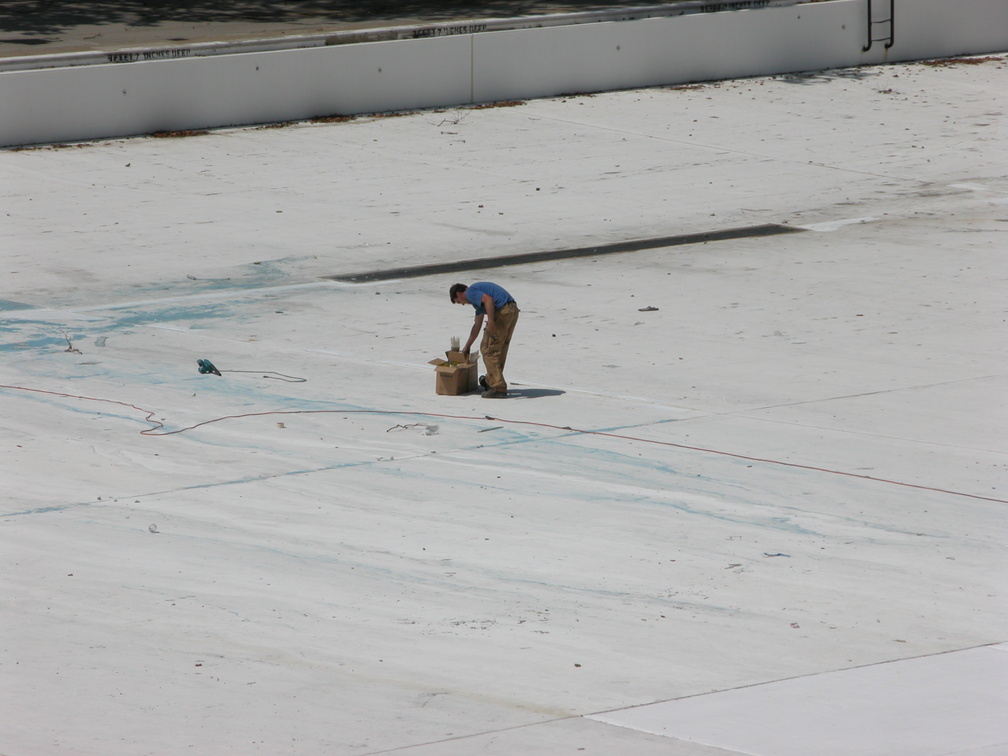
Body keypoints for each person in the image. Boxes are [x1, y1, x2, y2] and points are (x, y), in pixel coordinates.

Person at [449, 282, 519, 398]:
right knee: (499, 347)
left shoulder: (470, 292)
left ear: (459, 293)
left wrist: (491, 322)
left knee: (488, 350)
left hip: (502, 311)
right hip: (512, 310)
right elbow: (477, 326)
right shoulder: (478, 303)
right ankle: (491, 379)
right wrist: (467, 346)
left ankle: (497, 387)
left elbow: (488, 300)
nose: (462, 304)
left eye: (458, 301)